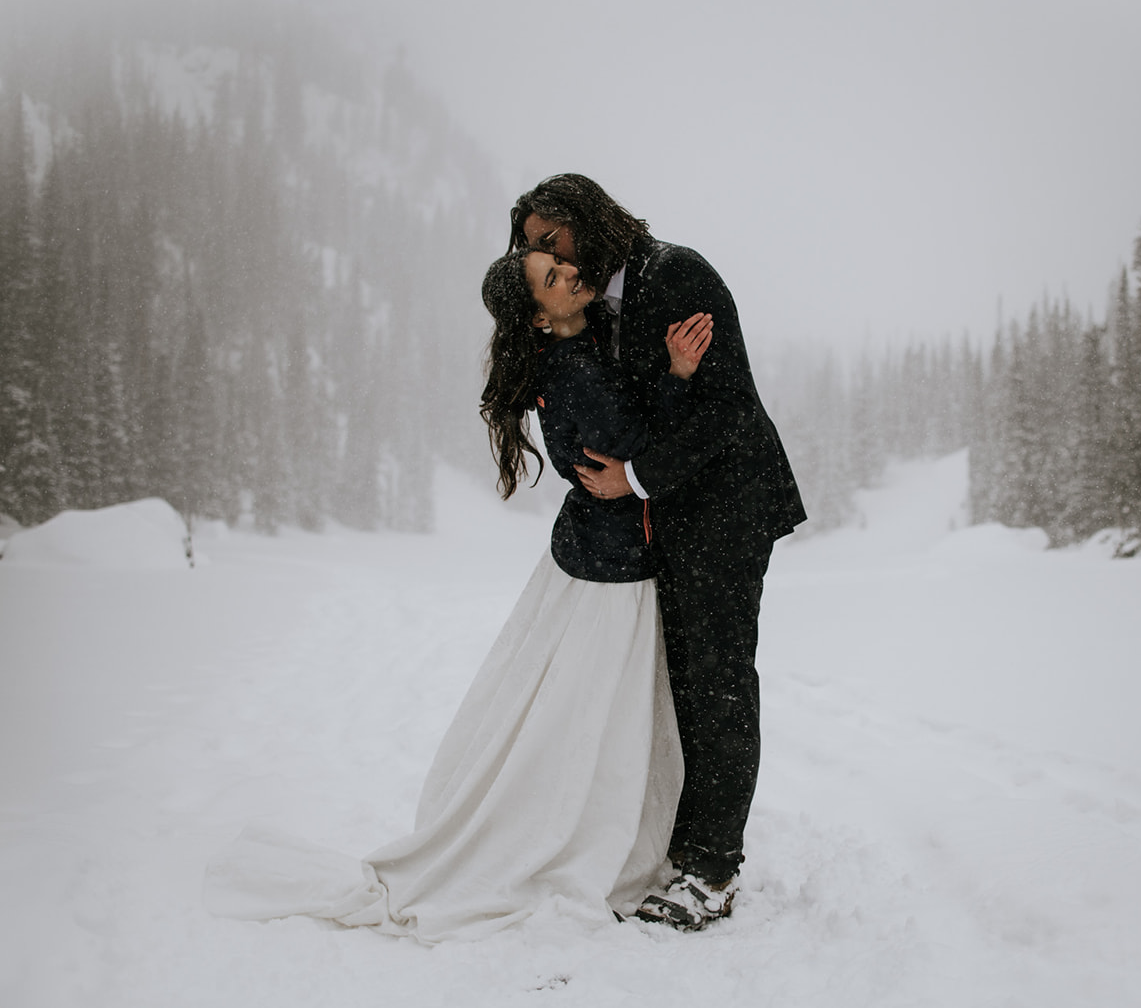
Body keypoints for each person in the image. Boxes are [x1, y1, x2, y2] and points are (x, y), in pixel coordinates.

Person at [202, 250, 716, 944]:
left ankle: (583, 821)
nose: (570, 271)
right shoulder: (576, 374)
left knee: (577, 707)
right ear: (540, 314)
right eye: (553, 277)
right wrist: (680, 374)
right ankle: (577, 833)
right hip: (610, 573)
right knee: (596, 712)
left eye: (561, 261)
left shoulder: (578, 349)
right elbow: (643, 449)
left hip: (595, 556)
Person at [509, 174, 806, 930]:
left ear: (588, 221)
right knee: (681, 682)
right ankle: (678, 840)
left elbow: (728, 406)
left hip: (726, 509)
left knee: (718, 681)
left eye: (551, 239)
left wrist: (635, 477)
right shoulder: (603, 297)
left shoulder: (675, 273)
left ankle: (711, 869)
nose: (544, 253)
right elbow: (640, 402)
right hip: (668, 514)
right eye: (534, 246)